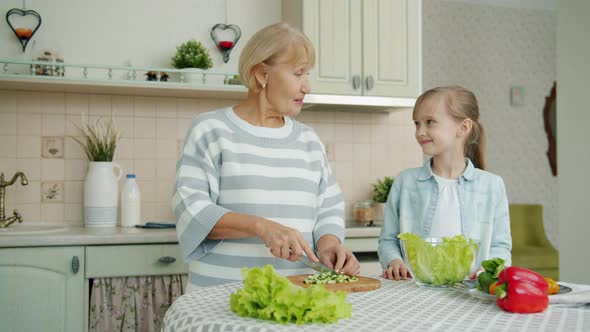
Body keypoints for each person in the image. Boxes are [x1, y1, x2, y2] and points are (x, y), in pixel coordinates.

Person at [173, 22, 360, 290]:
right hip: (220, 300)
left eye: (308, 74)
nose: (307, 86)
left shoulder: (309, 140)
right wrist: (262, 227)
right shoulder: (211, 131)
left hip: (296, 298)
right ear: (262, 74)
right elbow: (192, 211)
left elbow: (328, 207)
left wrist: (330, 245)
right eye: (299, 73)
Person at [378, 86, 512, 280]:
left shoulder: (492, 186)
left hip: (470, 296)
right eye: (417, 123)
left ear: (463, 128)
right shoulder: (405, 182)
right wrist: (394, 261)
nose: (420, 132)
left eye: (430, 122)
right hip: (415, 292)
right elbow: (388, 240)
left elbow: (501, 246)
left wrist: (489, 269)